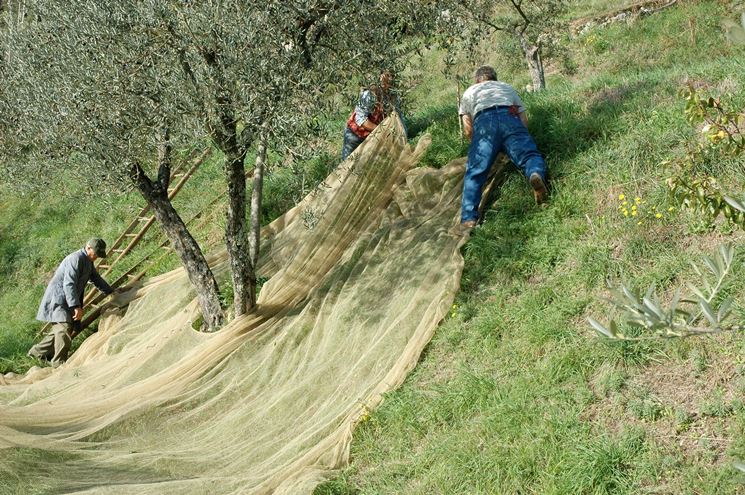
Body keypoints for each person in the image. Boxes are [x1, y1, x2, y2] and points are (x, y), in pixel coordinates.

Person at [458, 65, 548, 229]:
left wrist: (478, 146)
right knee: (529, 156)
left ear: (477, 80)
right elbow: (523, 118)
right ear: (495, 78)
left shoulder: (470, 91)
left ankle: (468, 219)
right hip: (509, 118)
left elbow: (468, 128)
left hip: (484, 122)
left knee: (475, 171)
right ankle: (535, 173)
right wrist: (519, 138)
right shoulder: (506, 87)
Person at [28, 238, 114, 365]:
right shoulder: (76, 259)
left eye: (98, 255)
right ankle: (58, 363)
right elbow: (69, 284)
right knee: (64, 328)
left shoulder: (89, 262)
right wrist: (75, 306)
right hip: (58, 298)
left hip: (67, 299)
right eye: (95, 253)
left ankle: (35, 353)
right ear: (88, 247)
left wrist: (111, 292)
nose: (96, 257)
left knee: (60, 329)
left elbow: (96, 279)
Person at [341, 70, 403, 160]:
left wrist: (401, 136)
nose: (390, 79)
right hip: (354, 136)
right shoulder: (369, 95)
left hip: (372, 137)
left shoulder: (393, 96)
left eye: (392, 76)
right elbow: (361, 119)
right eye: (387, 75)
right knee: (347, 165)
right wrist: (383, 131)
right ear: (380, 77)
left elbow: (399, 117)